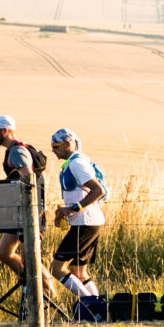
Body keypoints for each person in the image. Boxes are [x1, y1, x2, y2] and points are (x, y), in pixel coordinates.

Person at [0, 115, 59, 307]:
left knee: (30, 258)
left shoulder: (16, 151)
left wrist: (36, 212)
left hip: (28, 211)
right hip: (17, 211)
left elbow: (29, 177)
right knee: (4, 253)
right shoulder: (16, 148)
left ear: (5, 131)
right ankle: (29, 282)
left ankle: (49, 296)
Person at [47, 129, 105, 302]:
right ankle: (98, 309)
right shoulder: (77, 161)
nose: (53, 151)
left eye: (56, 146)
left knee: (56, 269)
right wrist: (67, 211)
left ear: (68, 144)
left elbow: (97, 190)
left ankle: (89, 305)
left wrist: (73, 208)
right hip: (89, 222)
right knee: (78, 271)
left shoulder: (76, 164)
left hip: (85, 223)